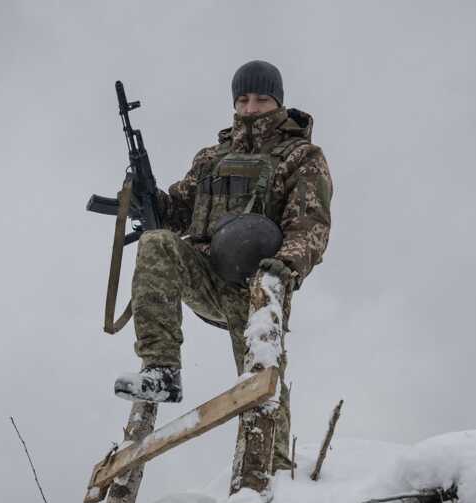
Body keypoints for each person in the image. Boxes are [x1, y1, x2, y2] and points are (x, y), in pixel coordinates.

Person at [113, 60, 333, 472]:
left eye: (261, 99)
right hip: (209, 272)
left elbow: (311, 224)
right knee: (157, 242)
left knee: (259, 383)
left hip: (260, 282)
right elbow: (179, 208)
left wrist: (285, 266)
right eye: (243, 99)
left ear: (278, 102)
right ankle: (162, 370)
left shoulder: (301, 156)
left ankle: (270, 469)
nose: (251, 108)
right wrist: (147, 197)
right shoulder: (213, 157)